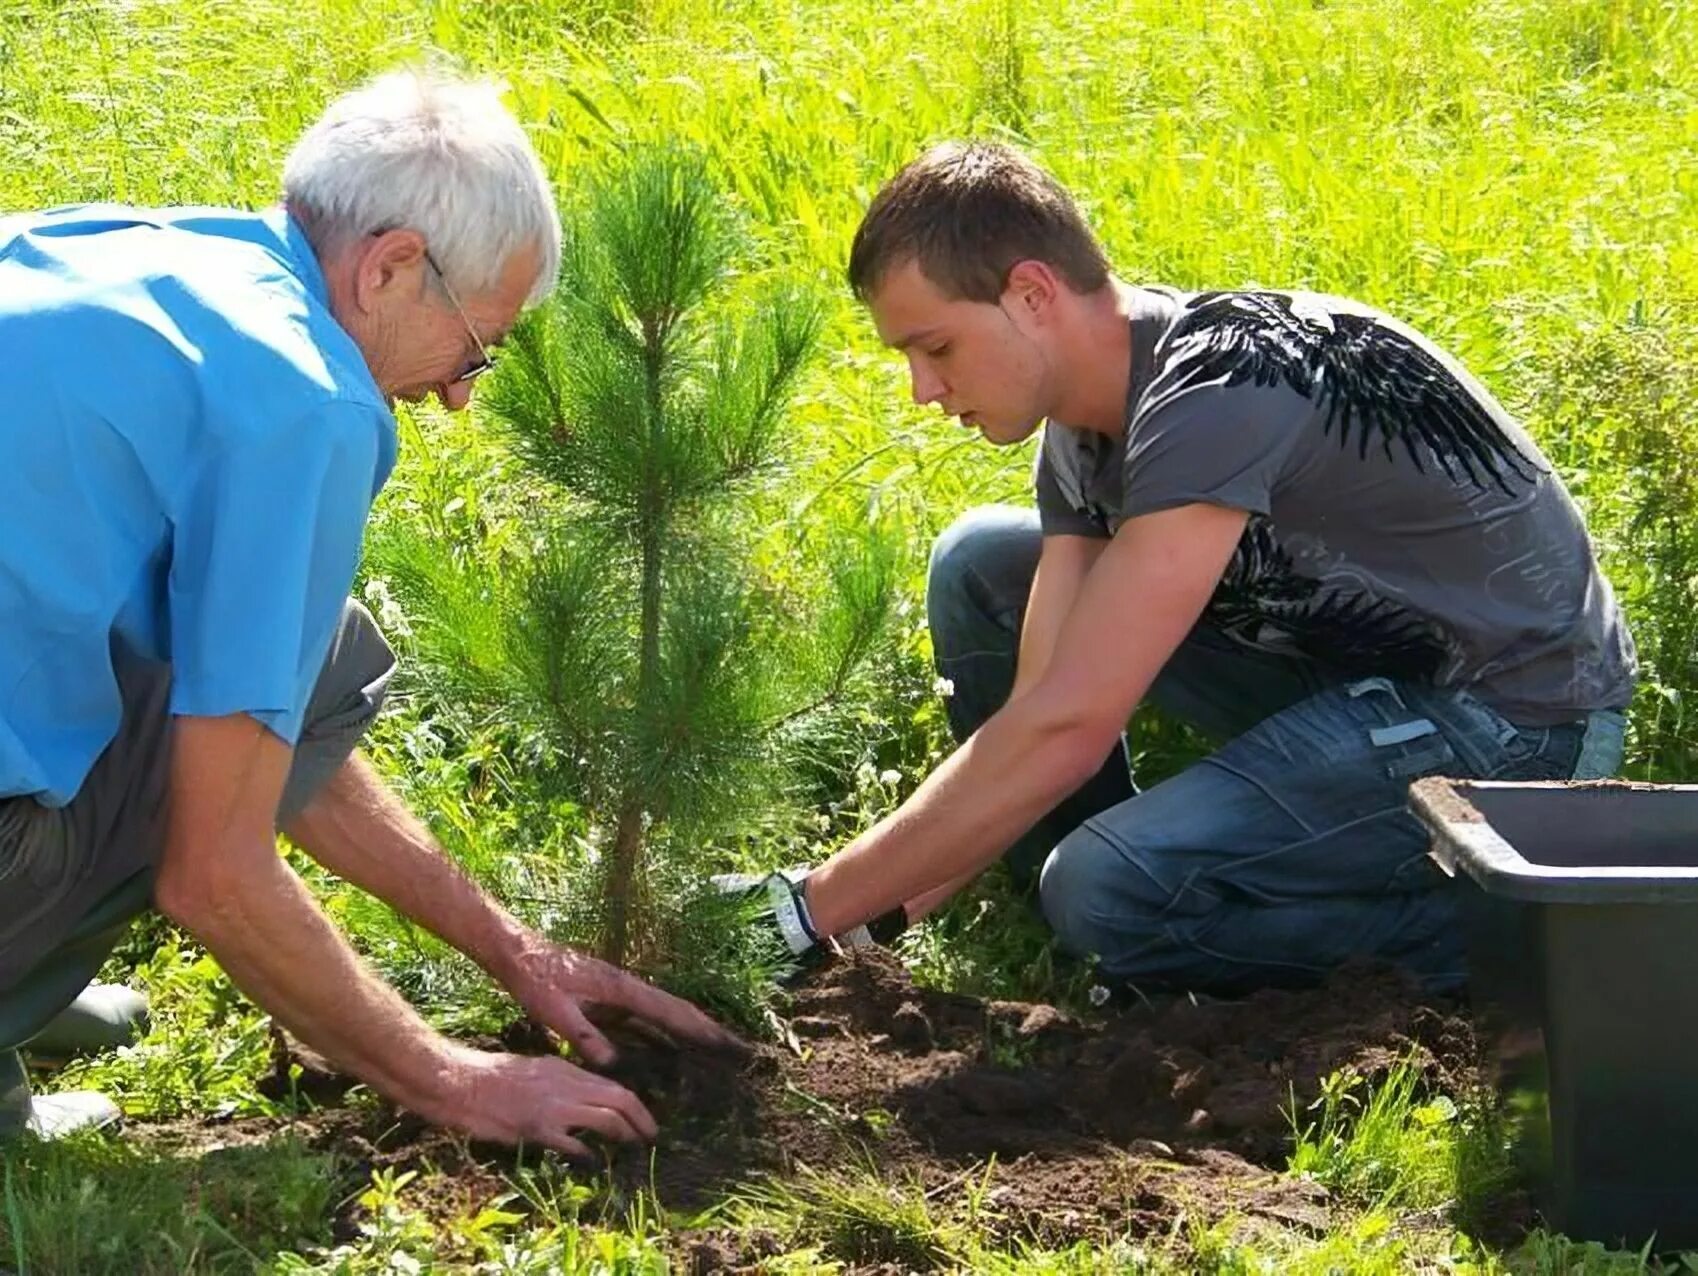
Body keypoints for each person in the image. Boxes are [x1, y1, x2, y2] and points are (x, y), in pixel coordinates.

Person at [0, 68, 738, 1143]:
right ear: (391, 266)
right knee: (286, 701)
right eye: (475, 346)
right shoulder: (307, 401)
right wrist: (454, 1080)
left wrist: (510, 948)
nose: (458, 393)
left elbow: (272, 716)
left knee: (316, 661)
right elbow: (214, 870)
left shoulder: (125, 248)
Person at [751, 141, 1634, 995]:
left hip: (1515, 727)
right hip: (1355, 688)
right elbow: (1038, 712)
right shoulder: (1081, 437)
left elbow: (1070, 726)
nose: (922, 390)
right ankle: (1100, 905)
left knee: (1104, 889)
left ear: (1030, 294)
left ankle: (1535, 937)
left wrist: (799, 912)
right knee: (985, 564)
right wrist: (861, 919)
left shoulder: (1224, 383)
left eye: (935, 348)